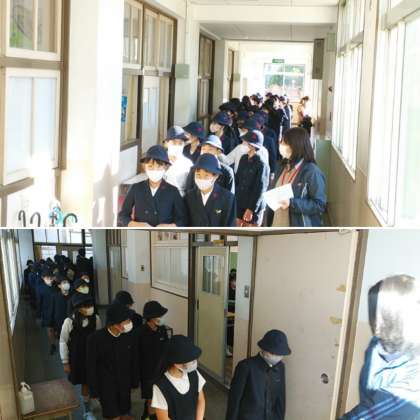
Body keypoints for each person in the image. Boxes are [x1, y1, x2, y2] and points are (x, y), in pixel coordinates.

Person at [341, 275, 420, 419]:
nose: (375, 325)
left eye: (384, 315)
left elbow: (369, 414)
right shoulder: (377, 344)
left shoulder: (415, 375)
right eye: (372, 312)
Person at [87, 303, 139, 420]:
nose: (129, 323)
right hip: (106, 387)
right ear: (116, 324)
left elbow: (134, 361)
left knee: (125, 413)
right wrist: (93, 390)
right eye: (126, 320)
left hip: (124, 385)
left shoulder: (129, 336)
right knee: (113, 415)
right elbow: (91, 367)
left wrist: (134, 381)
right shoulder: (95, 339)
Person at [226, 329, 291, 420]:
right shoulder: (246, 367)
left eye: (280, 354)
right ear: (263, 349)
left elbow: (281, 399)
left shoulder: (280, 367)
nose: (276, 356)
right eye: (273, 353)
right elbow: (234, 400)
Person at [118, 145, 188, 227]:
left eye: (159, 166)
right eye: (150, 166)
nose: (155, 170)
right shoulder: (136, 188)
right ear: (145, 167)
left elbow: (183, 219)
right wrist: (135, 224)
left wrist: (170, 226)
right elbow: (123, 215)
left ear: (165, 168)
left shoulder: (173, 191)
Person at [272, 128, 326, 227]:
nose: (281, 145)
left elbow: (319, 204)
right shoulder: (282, 166)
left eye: (285, 143)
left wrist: (291, 203)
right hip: (277, 222)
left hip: (297, 226)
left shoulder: (312, 172)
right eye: (281, 142)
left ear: (296, 146)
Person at [60, 294, 101, 420]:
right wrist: (65, 362)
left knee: (96, 380)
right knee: (85, 383)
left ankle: (95, 399)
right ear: (78, 308)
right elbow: (63, 341)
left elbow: (99, 338)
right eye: (86, 306)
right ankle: (87, 410)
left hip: (93, 357)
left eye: (90, 305)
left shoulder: (96, 319)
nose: (90, 308)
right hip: (78, 358)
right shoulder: (69, 322)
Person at [152, 335, 206, 420]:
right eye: (191, 360)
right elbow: (163, 418)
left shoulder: (194, 374)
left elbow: (201, 400)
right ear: (177, 363)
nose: (194, 362)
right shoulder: (161, 386)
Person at [138, 301, 170, 420]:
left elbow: (166, 348)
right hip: (147, 373)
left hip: (162, 371)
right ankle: (150, 416)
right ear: (150, 317)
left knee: (161, 397)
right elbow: (137, 356)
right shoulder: (140, 333)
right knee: (151, 398)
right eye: (159, 315)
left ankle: (149, 414)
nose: (161, 318)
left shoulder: (162, 330)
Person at [185, 154, 236, 227]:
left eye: (206, 175)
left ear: (215, 176)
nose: (201, 179)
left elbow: (230, 227)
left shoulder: (228, 198)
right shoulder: (189, 197)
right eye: (198, 175)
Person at [235, 130, 270, 227]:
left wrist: (251, 209)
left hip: (253, 205)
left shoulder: (262, 164)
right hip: (240, 201)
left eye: (245, 142)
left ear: (251, 145)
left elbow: (260, 189)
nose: (243, 144)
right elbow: (237, 180)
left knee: (250, 230)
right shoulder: (243, 158)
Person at [164, 126, 194, 196]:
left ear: (184, 145)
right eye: (174, 143)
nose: (177, 146)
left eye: (180, 143)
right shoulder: (159, 160)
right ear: (167, 143)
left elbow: (190, 188)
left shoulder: (188, 164)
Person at [37, 268, 57, 355]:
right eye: (47, 277)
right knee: (49, 329)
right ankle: (53, 344)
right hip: (47, 312)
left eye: (50, 277)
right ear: (43, 278)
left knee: (58, 328)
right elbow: (39, 302)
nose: (49, 279)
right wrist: (39, 314)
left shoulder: (56, 286)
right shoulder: (40, 288)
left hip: (57, 310)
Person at [51, 273, 71, 340]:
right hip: (60, 324)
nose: (66, 284)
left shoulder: (73, 296)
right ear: (59, 285)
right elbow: (53, 311)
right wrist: (53, 327)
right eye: (64, 282)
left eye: (67, 282)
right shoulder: (55, 297)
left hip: (72, 323)